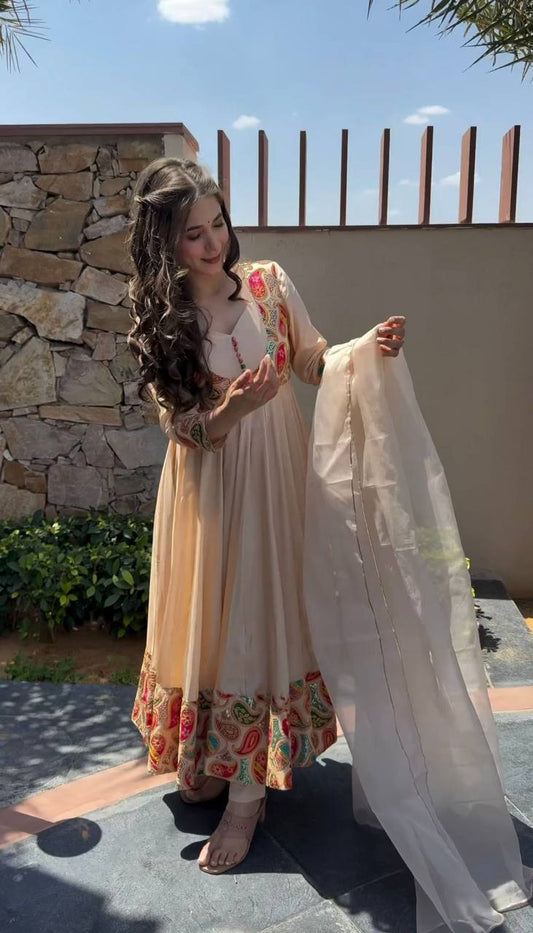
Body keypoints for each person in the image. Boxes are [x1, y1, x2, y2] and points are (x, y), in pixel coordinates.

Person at [127, 157, 405, 874]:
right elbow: (181, 426)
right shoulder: (164, 319)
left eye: (217, 224)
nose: (213, 242)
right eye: (193, 233)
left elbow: (310, 360)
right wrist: (232, 407)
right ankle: (212, 757)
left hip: (275, 480)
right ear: (165, 240)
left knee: (257, 614)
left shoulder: (268, 283)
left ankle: (246, 797)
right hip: (207, 486)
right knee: (210, 619)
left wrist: (362, 352)